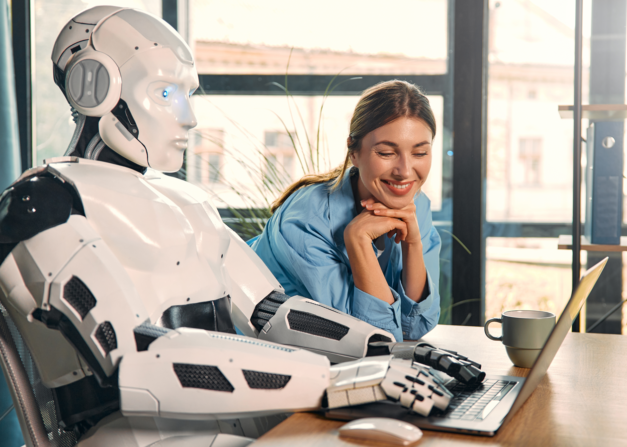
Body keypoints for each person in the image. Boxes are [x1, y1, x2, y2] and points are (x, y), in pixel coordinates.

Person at [0, 8, 465, 446]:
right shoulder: (45, 203)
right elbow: (134, 360)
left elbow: (272, 312)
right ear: (94, 86)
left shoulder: (187, 201)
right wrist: (334, 382)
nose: (189, 116)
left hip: (243, 417)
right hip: (139, 432)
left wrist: (393, 353)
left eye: (189, 95)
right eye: (166, 93)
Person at [251, 80, 441, 342]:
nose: (405, 171)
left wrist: (413, 243)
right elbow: (371, 341)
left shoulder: (416, 206)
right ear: (354, 152)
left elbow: (418, 324)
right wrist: (358, 240)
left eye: (420, 152)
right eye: (386, 152)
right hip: (256, 353)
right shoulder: (305, 219)